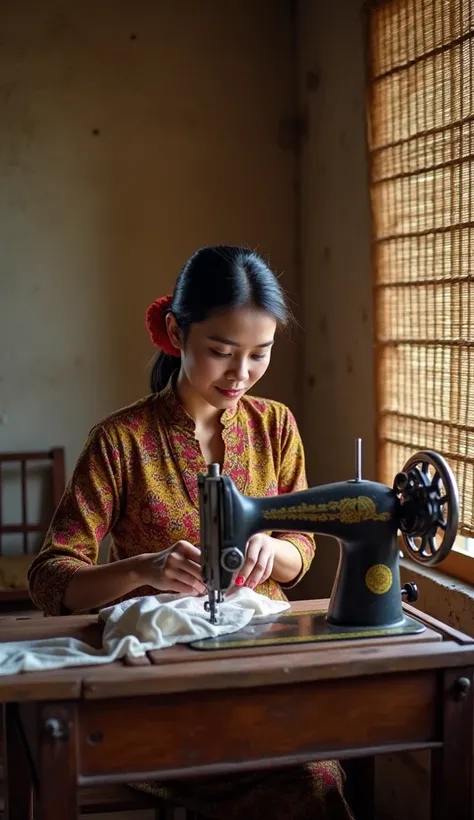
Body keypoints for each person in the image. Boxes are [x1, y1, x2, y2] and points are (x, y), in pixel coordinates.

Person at [27, 245, 354, 820]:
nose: (241, 374)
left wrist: (272, 548)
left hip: (264, 666)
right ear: (176, 333)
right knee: (299, 787)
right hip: (160, 685)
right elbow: (51, 578)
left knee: (316, 770)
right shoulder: (120, 441)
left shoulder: (275, 426)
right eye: (222, 353)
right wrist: (142, 569)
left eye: (260, 355)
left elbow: (301, 549)